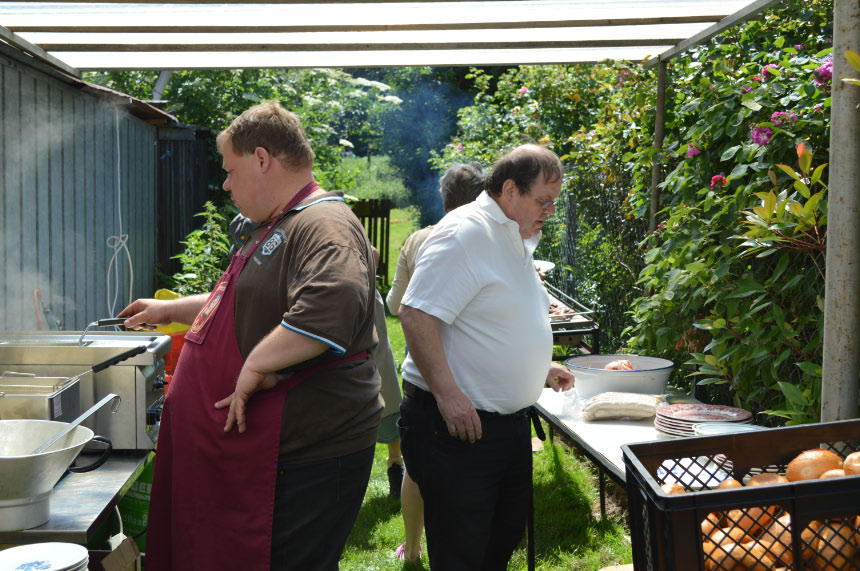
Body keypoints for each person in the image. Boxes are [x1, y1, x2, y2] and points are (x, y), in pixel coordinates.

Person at [119, 101, 382, 571]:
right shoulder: (280, 222)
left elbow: (331, 305)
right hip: (270, 453)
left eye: (230, 170)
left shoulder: (323, 223)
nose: (225, 184)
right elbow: (241, 298)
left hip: (307, 454)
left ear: (261, 159)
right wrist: (169, 309)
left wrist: (256, 364)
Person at [396, 144, 576, 570]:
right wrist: (448, 395)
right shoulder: (466, 232)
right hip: (457, 428)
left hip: (502, 427)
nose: (550, 211)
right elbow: (415, 313)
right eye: (543, 200)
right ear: (510, 190)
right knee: (463, 553)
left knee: (499, 541)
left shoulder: (512, 233)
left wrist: (537, 367)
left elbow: (490, 316)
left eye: (554, 201)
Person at [386, 161, 486, 563]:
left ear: (444, 200)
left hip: (425, 373)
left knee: (418, 466)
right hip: (475, 371)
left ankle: (412, 550)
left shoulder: (418, 239)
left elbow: (395, 304)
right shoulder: (492, 240)